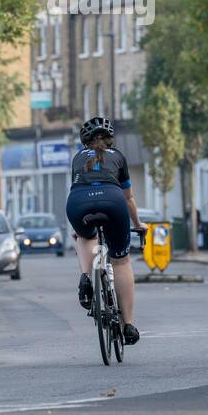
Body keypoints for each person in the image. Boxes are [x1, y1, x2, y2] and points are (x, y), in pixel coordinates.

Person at [66, 116, 145, 345]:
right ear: (110, 140)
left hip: (78, 204)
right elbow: (128, 199)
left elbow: (78, 187)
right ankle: (128, 325)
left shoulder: (77, 158)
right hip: (113, 202)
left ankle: (85, 277)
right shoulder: (118, 156)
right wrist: (138, 224)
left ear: (85, 141)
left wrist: (78, 227)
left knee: (84, 235)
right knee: (121, 261)